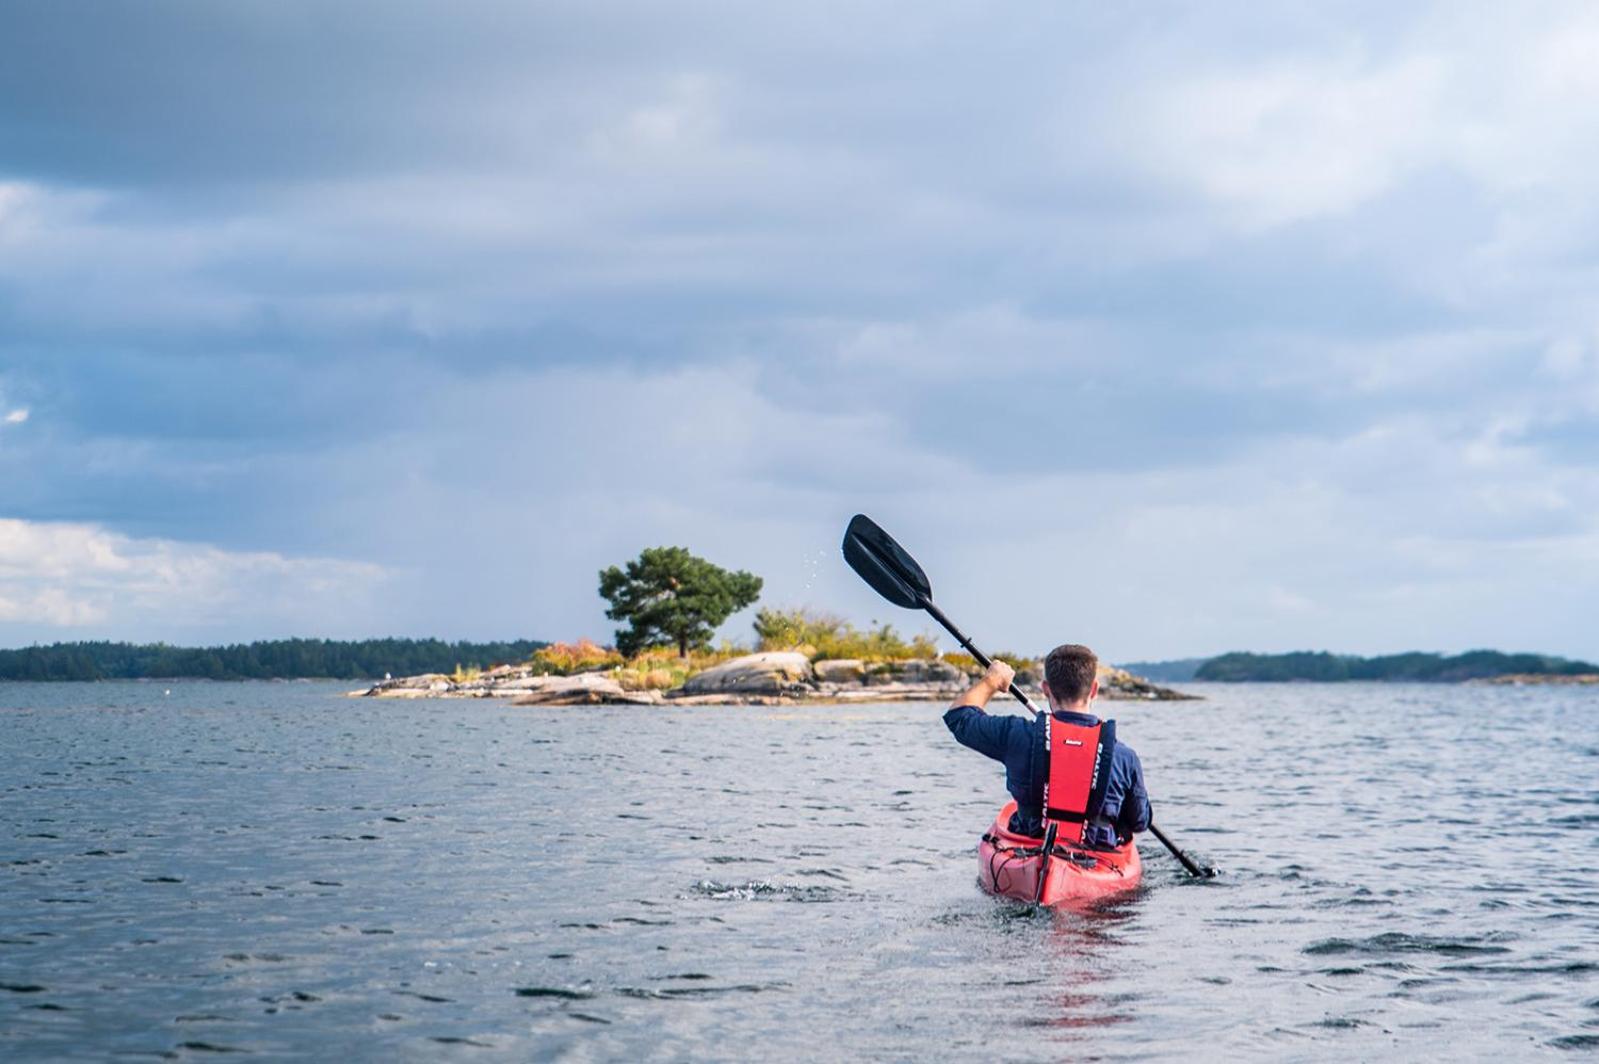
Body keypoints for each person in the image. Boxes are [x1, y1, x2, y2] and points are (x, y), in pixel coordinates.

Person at [943, 643, 1150, 848]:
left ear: (1045, 689)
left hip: (1029, 848)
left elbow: (959, 718)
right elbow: (1139, 822)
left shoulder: (1018, 735)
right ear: (1094, 689)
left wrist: (992, 681)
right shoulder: (1124, 757)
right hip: (1096, 854)